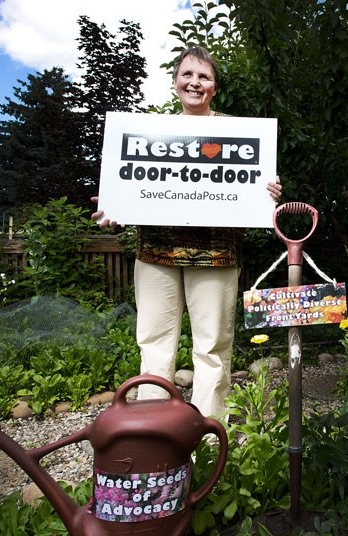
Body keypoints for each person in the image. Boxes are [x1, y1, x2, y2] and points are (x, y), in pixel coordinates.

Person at [92, 46, 283, 420]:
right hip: (155, 255)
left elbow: (248, 188)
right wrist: (116, 203)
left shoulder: (237, 131)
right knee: (154, 343)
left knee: (212, 347)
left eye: (204, 76)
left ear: (214, 87)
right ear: (175, 82)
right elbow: (137, 186)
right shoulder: (152, 131)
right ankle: (154, 429)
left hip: (215, 256)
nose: (195, 82)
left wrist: (268, 191)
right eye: (188, 75)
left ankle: (208, 431)